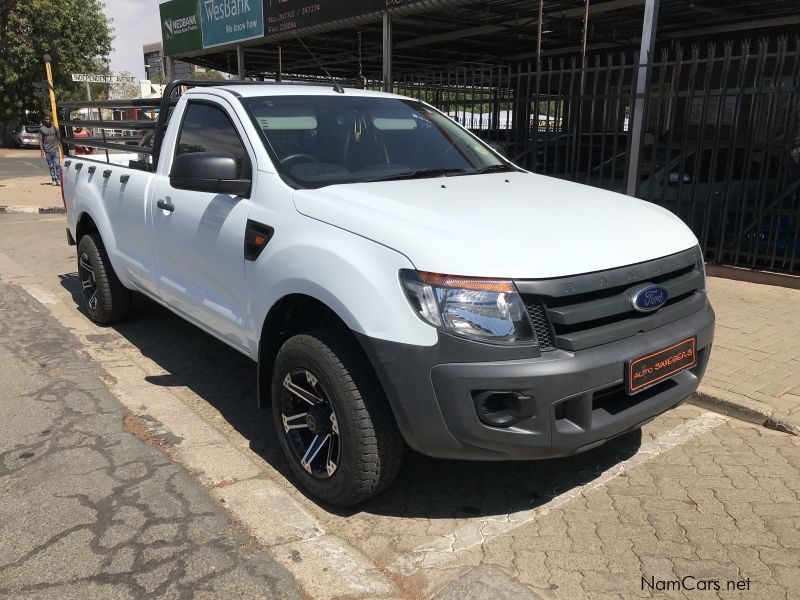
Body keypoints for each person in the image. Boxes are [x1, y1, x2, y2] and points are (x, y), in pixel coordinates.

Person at [39, 115, 62, 186]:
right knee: (51, 165)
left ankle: (58, 179)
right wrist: (42, 150)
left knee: (58, 165)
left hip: (55, 149)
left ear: (51, 120)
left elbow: (59, 138)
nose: (48, 120)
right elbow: (40, 140)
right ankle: (54, 179)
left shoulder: (55, 128)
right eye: (46, 119)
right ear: (44, 120)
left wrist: (61, 148)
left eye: (49, 119)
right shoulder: (42, 129)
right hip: (47, 150)